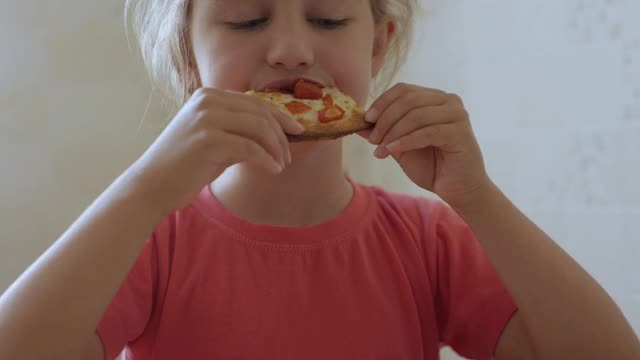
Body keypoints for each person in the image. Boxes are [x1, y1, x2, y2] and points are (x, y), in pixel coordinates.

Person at [1, 0, 639, 359]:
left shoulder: (425, 239)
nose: (291, 51)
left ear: (378, 47)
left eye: (329, 19)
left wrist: (480, 201)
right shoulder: (151, 240)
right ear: (187, 55)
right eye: (248, 20)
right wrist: (143, 188)